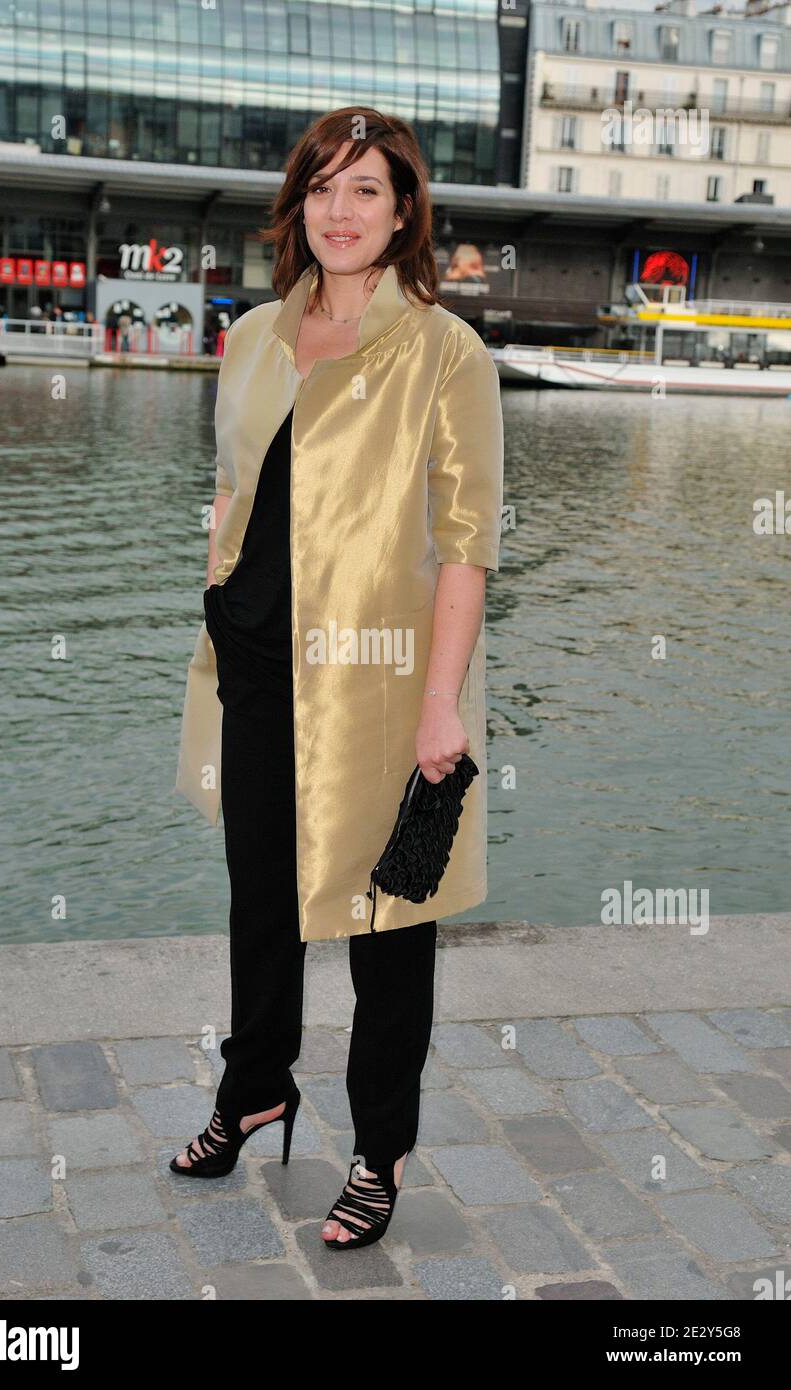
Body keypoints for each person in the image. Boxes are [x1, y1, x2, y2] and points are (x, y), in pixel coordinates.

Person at [173, 107, 504, 1250]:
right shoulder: (255, 334)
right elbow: (231, 488)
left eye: (366, 188)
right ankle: (252, 1086)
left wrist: (440, 703)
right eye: (321, 187)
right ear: (297, 204)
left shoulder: (443, 350)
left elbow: (464, 541)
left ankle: (379, 1151)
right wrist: (216, 588)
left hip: (378, 680)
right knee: (258, 899)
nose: (340, 210)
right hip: (257, 667)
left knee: (386, 919)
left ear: (404, 208)